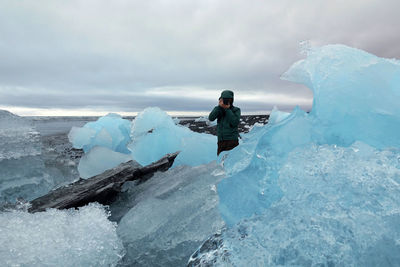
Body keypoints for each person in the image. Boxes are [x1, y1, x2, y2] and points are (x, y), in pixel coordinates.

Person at [208, 90, 241, 155]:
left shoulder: (236, 110)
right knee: (221, 162)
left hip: (232, 141)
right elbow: (211, 118)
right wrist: (218, 107)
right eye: (224, 99)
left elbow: (234, 122)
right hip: (221, 141)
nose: (226, 101)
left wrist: (227, 109)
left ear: (231, 100)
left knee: (231, 162)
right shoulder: (218, 109)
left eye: (228, 99)